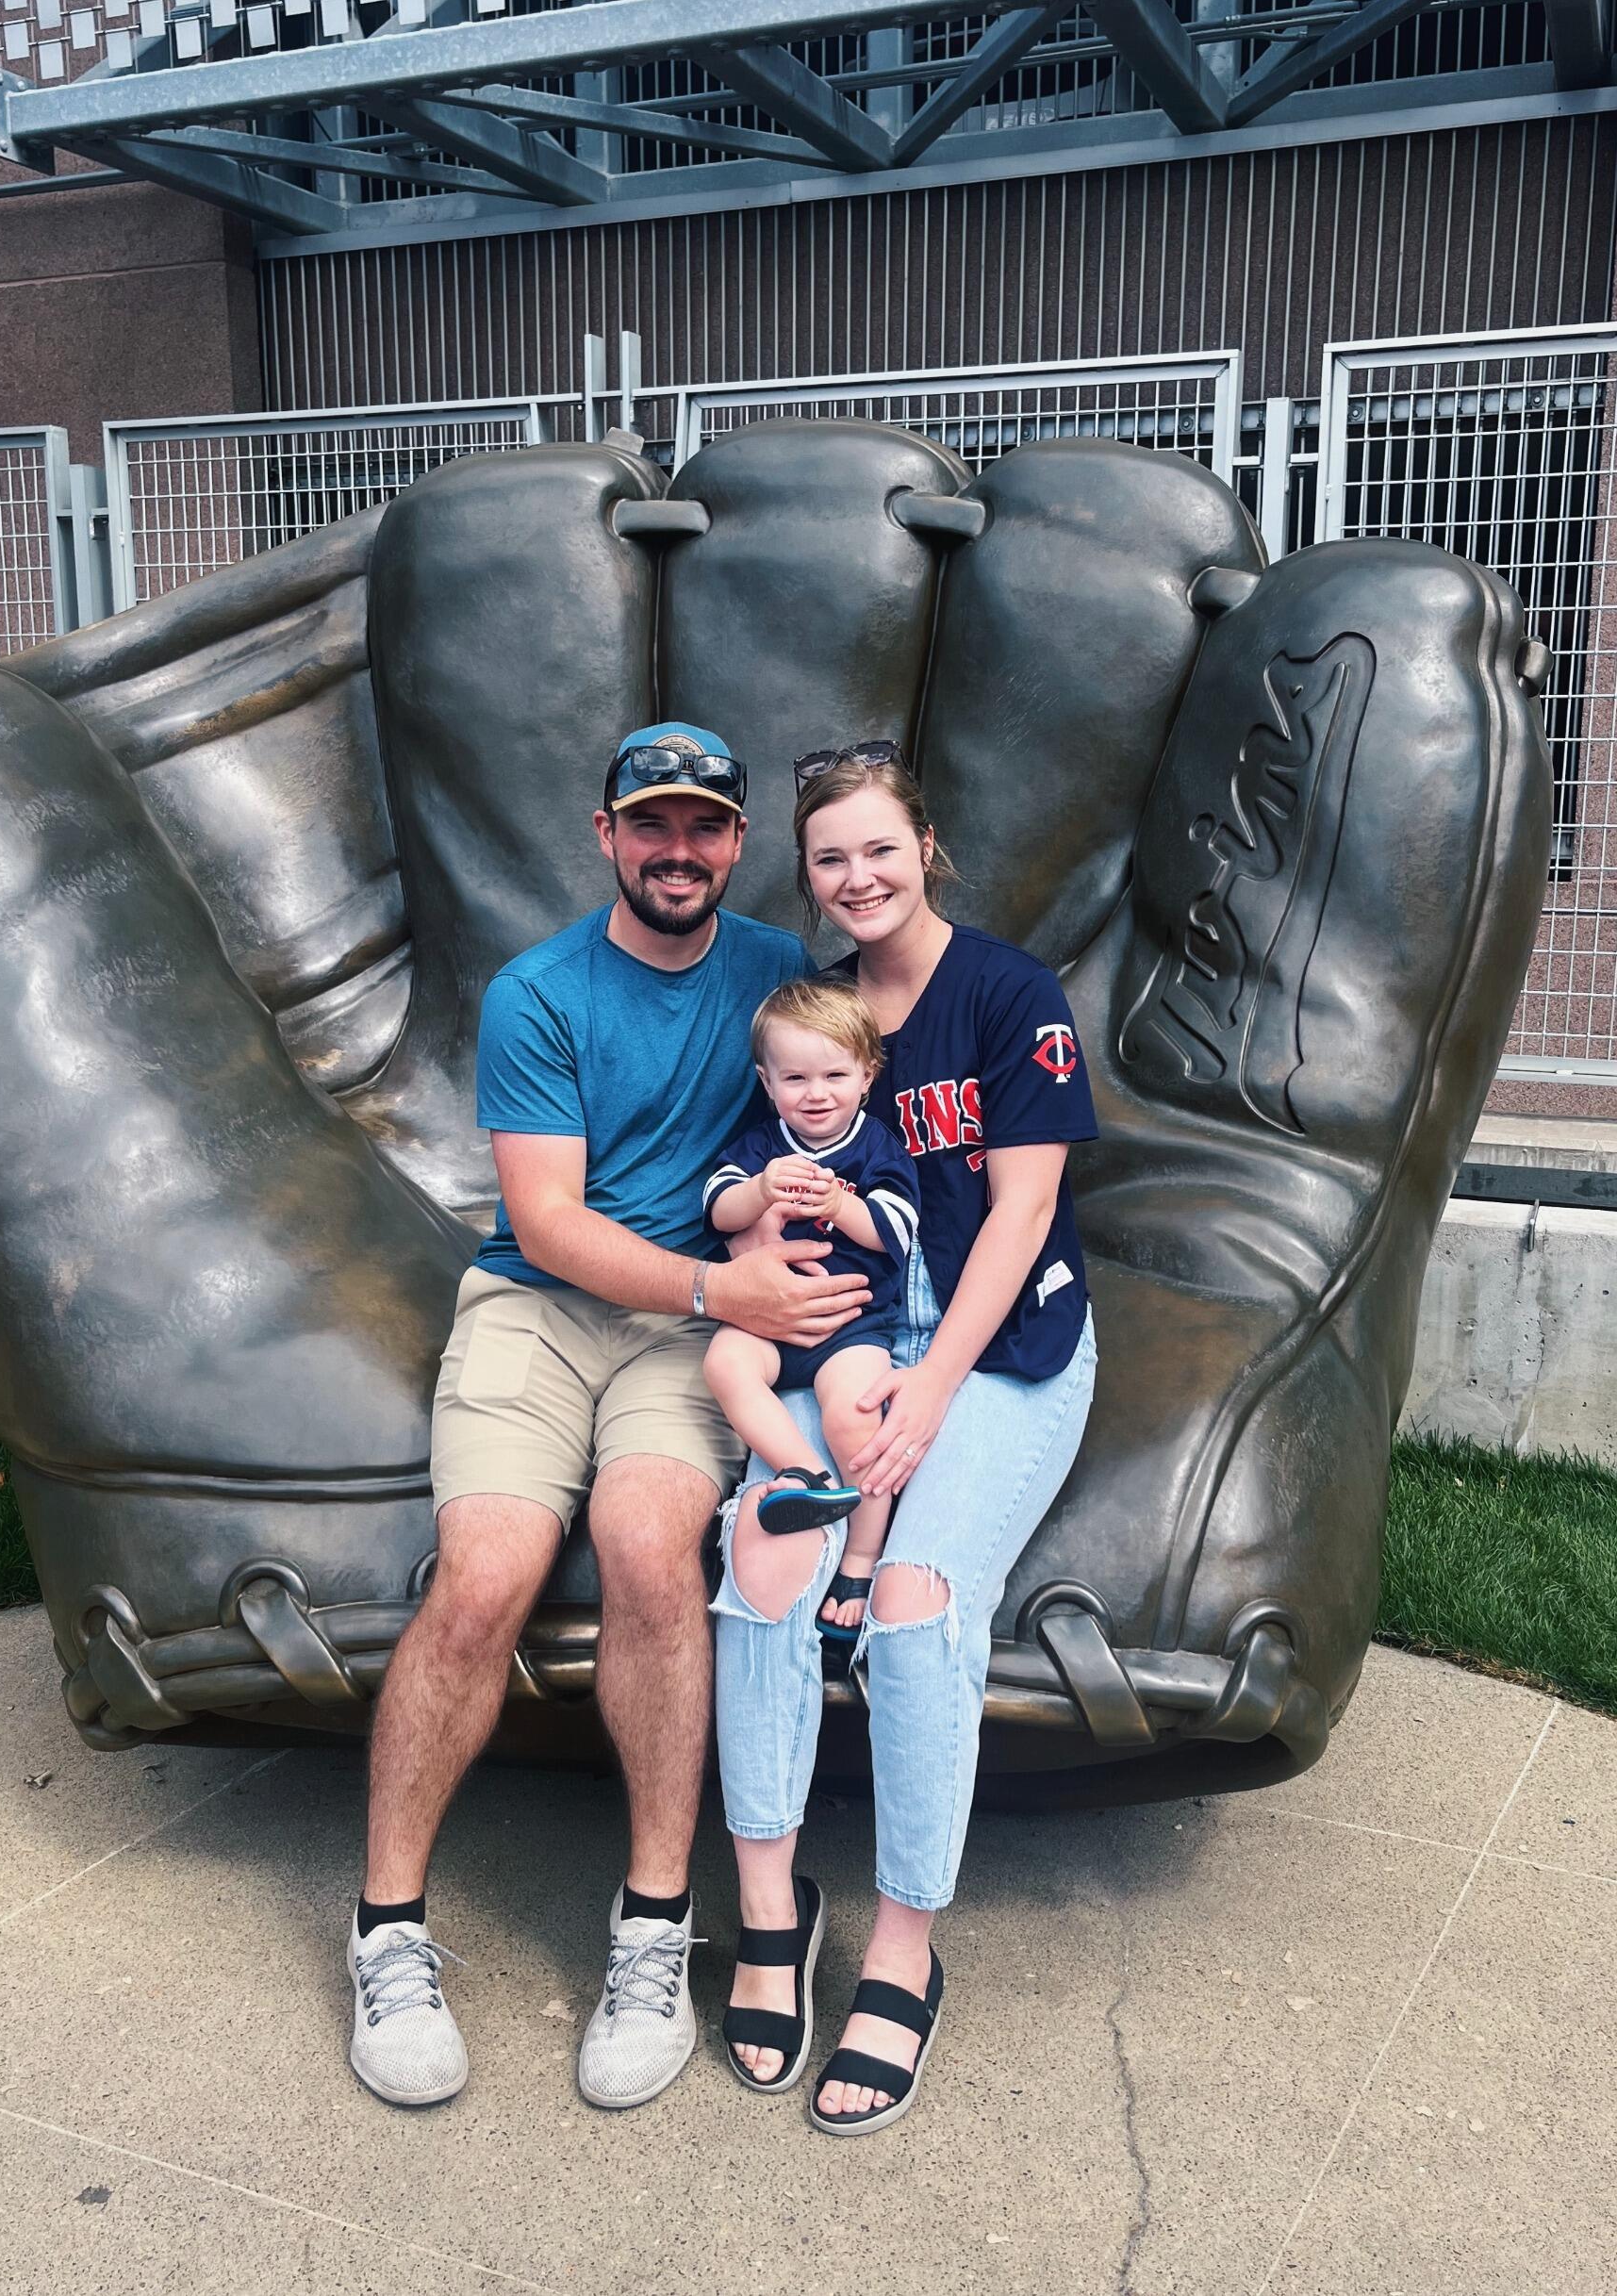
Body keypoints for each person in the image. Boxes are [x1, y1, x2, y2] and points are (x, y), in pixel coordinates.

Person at [346, 723, 870, 2116]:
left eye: (704, 826)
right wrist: (725, 1283)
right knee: (490, 1573)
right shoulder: (540, 990)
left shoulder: (779, 972)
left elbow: (879, 1061)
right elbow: (547, 1223)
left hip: (687, 1333)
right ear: (606, 837)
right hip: (539, 1303)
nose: (678, 850)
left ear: (737, 843)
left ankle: (652, 1929)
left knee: (650, 1548)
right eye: (653, 825)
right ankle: (386, 1930)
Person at [712, 742, 1098, 2134]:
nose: (856, 876)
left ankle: (899, 1955)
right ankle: (769, 1909)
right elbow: (756, 1191)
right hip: (844, 1338)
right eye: (829, 857)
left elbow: (1022, 1213)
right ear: (806, 874)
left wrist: (934, 1387)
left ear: (924, 845)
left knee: (921, 1600)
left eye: (879, 847)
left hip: (999, 1345)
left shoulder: (1009, 994)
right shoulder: (807, 1016)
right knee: (762, 1557)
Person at [701, 978, 919, 1635]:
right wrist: (759, 1192)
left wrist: (840, 1206)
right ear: (767, 1084)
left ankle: (859, 1558)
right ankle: (806, 1474)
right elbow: (716, 1207)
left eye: (834, 1074)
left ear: (866, 1075)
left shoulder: (877, 1146)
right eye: (794, 1078)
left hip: (849, 1326)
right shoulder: (761, 1148)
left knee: (856, 1416)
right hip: (765, 1320)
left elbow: (897, 1231)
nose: (815, 1093)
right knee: (724, 1366)